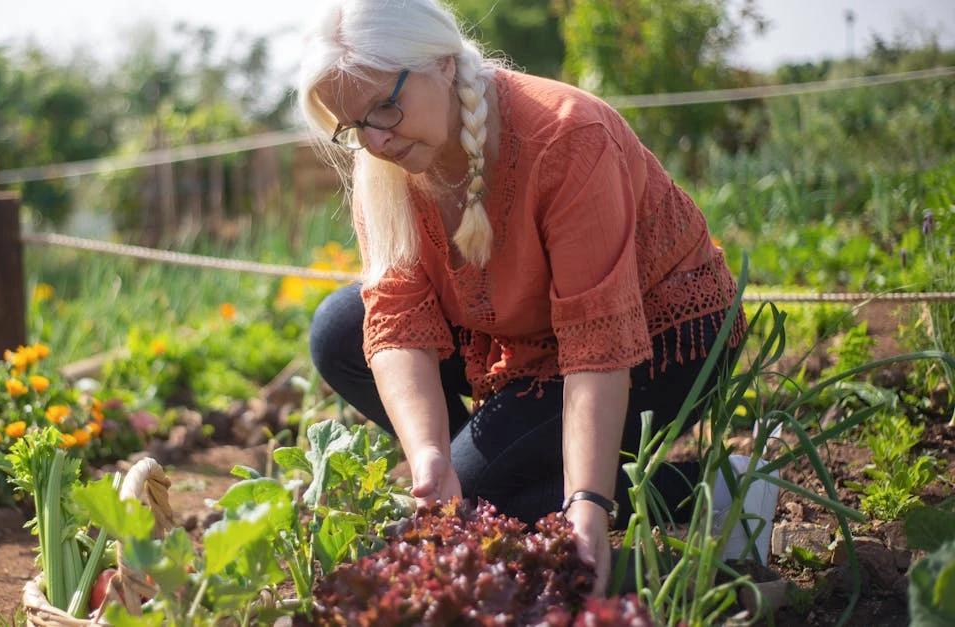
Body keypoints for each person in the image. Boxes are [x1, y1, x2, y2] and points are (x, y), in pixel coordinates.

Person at [298, 0, 751, 595]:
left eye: (385, 107)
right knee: (340, 328)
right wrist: (430, 455)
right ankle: (485, 482)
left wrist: (587, 504)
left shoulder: (566, 135)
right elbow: (397, 315)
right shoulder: (385, 164)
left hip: (661, 339)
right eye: (354, 127)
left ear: (439, 63)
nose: (376, 140)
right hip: (522, 337)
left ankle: (720, 489)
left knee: (488, 494)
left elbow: (598, 343)